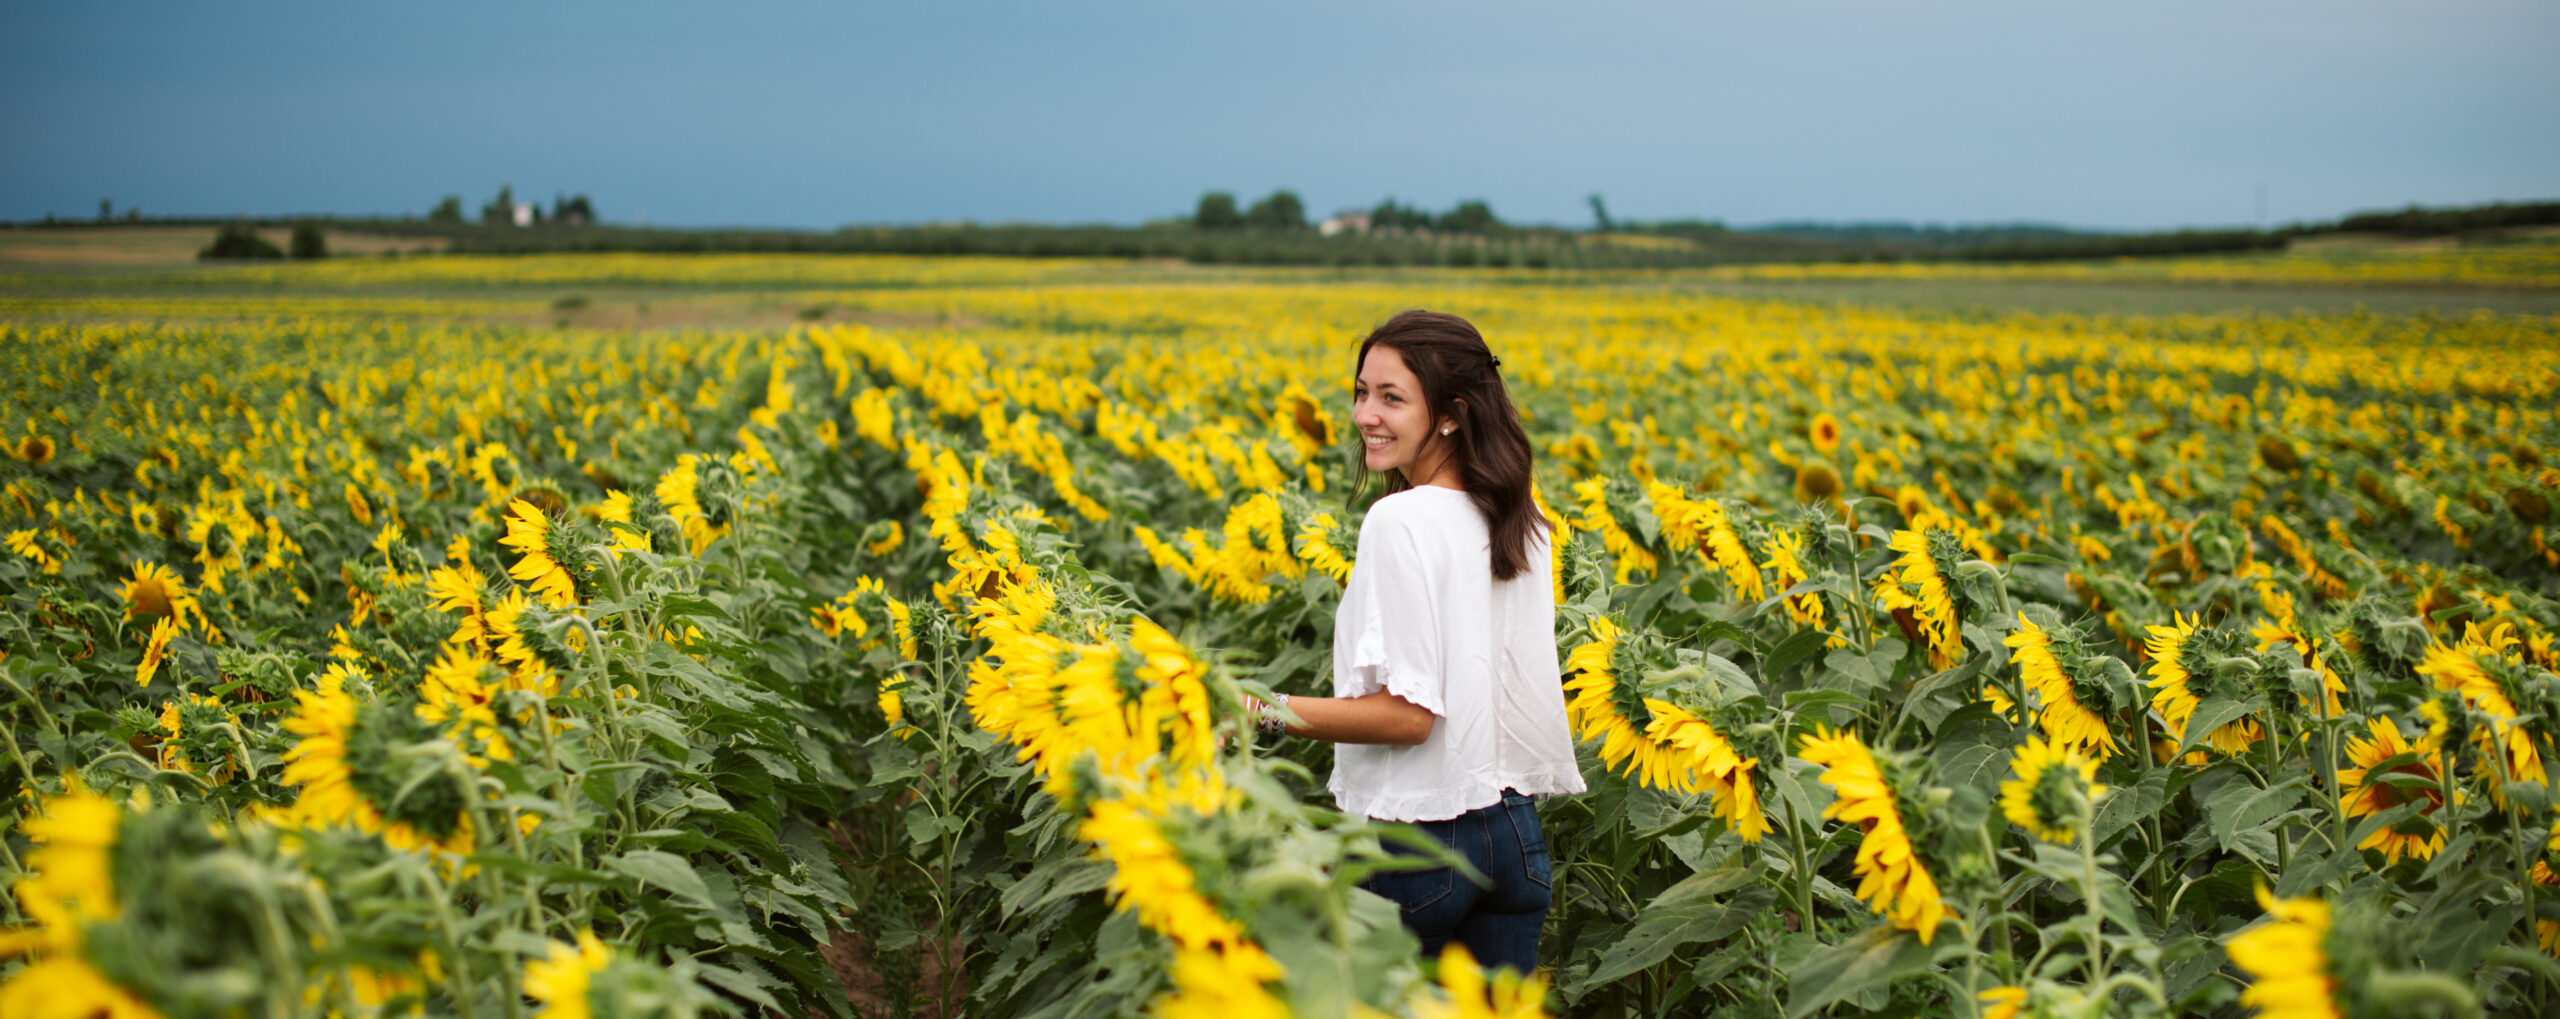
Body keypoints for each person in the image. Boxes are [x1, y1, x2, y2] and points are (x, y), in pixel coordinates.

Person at [1245, 309, 1585, 975]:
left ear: (1451, 414)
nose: (1365, 414)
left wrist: (1257, 707)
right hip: (1516, 840)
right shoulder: (1525, 522)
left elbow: (1408, 716)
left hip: (1422, 847)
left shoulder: (1398, 521)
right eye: (1362, 392)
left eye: (1391, 398)